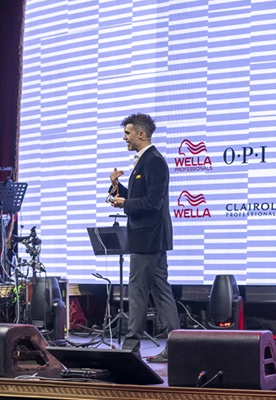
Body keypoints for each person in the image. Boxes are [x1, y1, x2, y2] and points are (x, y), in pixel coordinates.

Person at [108, 113, 180, 363]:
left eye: (127, 133)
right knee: (161, 292)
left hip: (148, 239)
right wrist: (116, 188)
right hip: (151, 239)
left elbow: (152, 202)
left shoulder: (154, 161)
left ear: (141, 134)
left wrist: (125, 203)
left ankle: (131, 346)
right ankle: (177, 346)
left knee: (138, 292)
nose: (124, 138)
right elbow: (140, 198)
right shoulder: (146, 161)